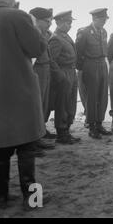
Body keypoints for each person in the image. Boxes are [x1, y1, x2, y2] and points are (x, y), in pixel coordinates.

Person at [0, 0, 47, 209]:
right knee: (27, 148)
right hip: (20, 93)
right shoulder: (17, 16)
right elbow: (37, 47)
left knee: (0, 149)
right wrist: (32, 24)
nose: (15, 0)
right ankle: (32, 198)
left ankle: (1, 197)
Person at [76, 8, 111, 139]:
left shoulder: (104, 32)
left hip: (102, 64)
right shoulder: (84, 32)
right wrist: (82, 68)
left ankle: (99, 123)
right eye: (102, 20)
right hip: (89, 65)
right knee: (91, 97)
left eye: (105, 20)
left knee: (103, 95)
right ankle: (91, 126)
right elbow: (78, 52)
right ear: (94, 19)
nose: (104, 22)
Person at [48, 11, 81, 145]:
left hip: (72, 73)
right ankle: (61, 133)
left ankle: (67, 130)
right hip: (64, 73)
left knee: (71, 103)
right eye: (67, 22)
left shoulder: (65, 36)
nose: (70, 25)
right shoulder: (55, 38)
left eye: (70, 23)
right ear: (58, 23)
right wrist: (60, 76)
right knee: (62, 104)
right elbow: (51, 61)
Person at [29, 8, 57, 152]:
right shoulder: (31, 33)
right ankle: (32, 141)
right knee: (35, 105)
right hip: (36, 71)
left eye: (50, 21)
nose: (50, 24)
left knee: (43, 104)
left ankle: (39, 135)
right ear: (37, 20)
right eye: (47, 21)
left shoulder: (45, 34)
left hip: (45, 70)